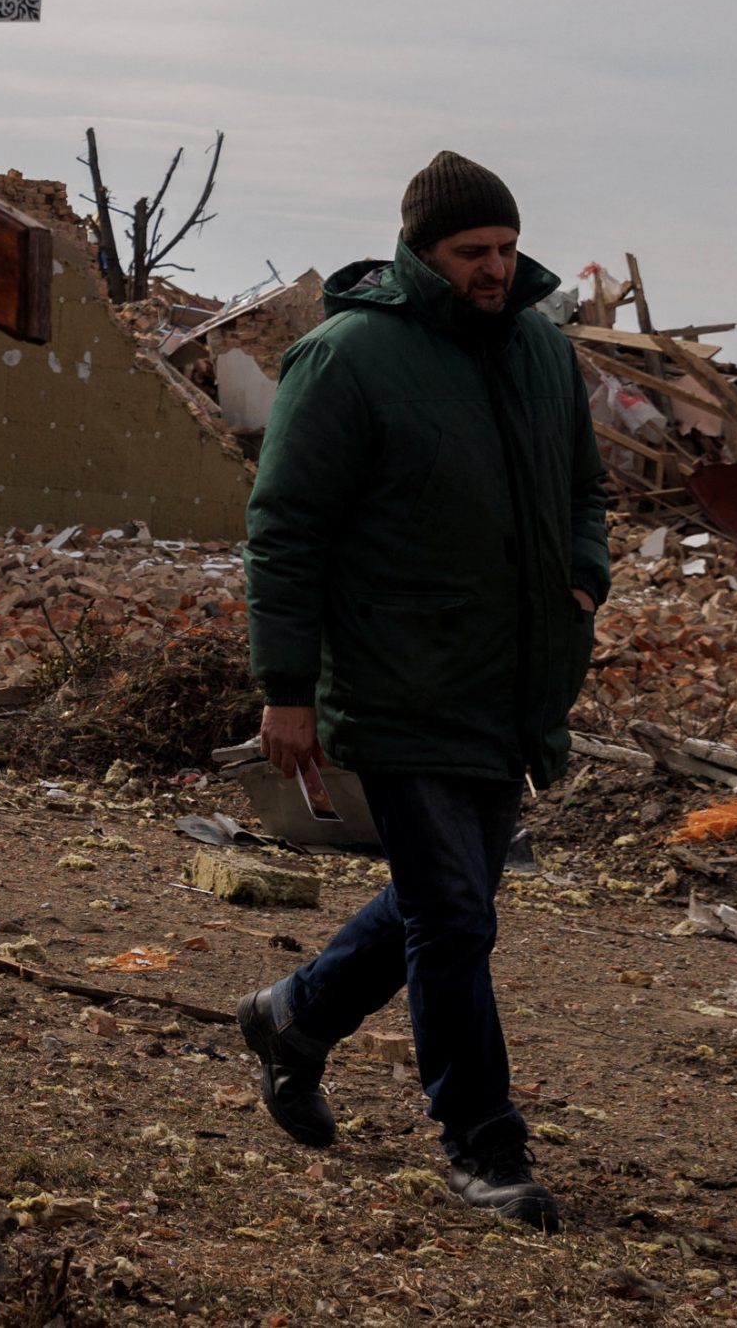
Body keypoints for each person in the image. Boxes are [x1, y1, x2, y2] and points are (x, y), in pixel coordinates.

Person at [235, 150, 609, 1229]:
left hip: (509, 684)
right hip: (393, 677)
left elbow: (584, 491)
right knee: (452, 915)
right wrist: (286, 689)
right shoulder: (345, 358)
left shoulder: (540, 351)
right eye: (470, 251)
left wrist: (583, 576)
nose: (495, 269)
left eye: (505, 248)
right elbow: (285, 532)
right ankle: (483, 1142)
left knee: (447, 897)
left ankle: (293, 1016)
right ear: (419, 251)